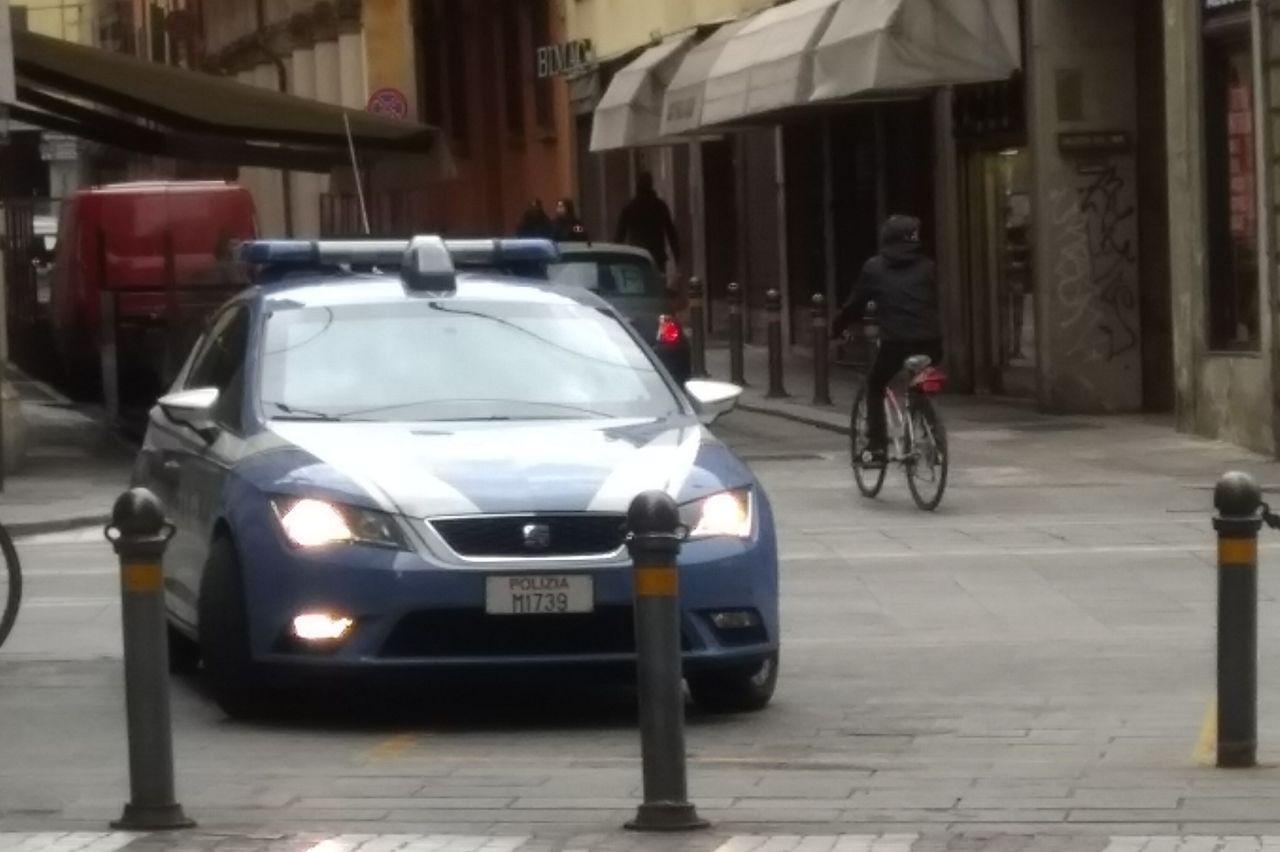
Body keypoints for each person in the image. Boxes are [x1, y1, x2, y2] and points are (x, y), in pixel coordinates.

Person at [831, 214, 943, 465]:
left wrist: (837, 327)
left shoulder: (874, 268)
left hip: (896, 342)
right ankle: (932, 440)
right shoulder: (928, 266)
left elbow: (855, 305)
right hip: (931, 341)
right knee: (920, 382)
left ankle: (876, 448)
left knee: (875, 384)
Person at [614, 171, 681, 273]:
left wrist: (616, 260)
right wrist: (677, 258)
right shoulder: (659, 206)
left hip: (636, 256)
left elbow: (619, 236)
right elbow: (671, 233)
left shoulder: (630, 208)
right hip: (656, 256)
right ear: (651, 185)